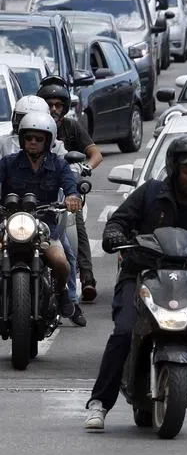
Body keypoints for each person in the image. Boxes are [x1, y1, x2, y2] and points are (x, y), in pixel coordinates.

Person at [83, 134, 187, 432]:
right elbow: (118, 222)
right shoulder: (149, 194)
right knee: (124, 331)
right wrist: (114, 235)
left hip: (186, 278)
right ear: (175, 169)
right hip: (141, 275)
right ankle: (100, 403)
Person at [0, 110, 80, 319]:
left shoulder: (59, 165)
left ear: (48, 141)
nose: (33, 142)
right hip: (8, 225)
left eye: (38, 139)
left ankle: (62, 293)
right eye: (29, 138)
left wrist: (73, 197)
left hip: (45, 227)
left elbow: (71, 186)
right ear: (22, 139)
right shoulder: (8, 163)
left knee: (61, 263)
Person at [39, 77, 102, 305]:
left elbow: (95, 154)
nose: (54, 109)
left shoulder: (70, 128)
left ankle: (83, 282)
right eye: (49, 104)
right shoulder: (23, 134)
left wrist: (83, 170)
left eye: (58, 105)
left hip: (62, 194)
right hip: (30, 198)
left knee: (75, 230)